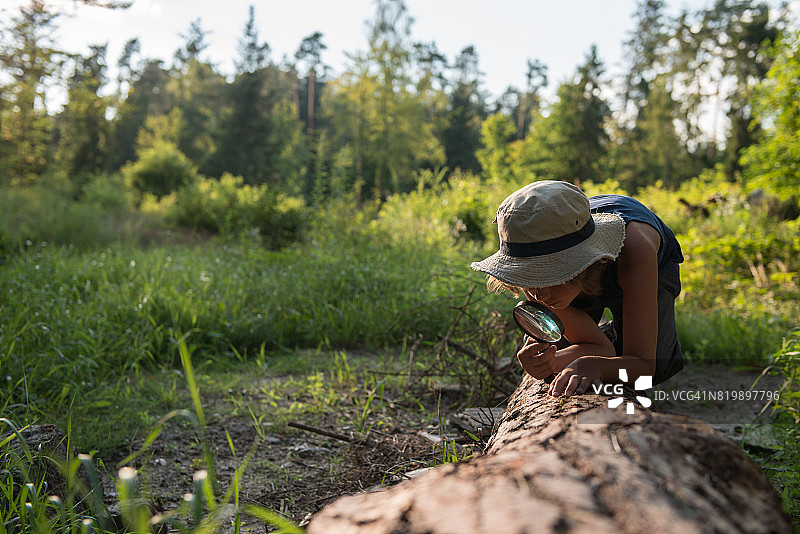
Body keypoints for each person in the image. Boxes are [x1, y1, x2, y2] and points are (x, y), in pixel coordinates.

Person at [471, 180, 684, 397]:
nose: (538, 294)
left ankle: (619, 333)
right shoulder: (533, 241)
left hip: (644, 263)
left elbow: (644, 368)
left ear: (580, 265)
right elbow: (572, 354)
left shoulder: (635, 251)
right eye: (528, 277)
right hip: (576, 268)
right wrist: (549, 362)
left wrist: (597, 366)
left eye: (547, 276)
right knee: (560, 348)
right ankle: (610, 336)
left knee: (656, 362)